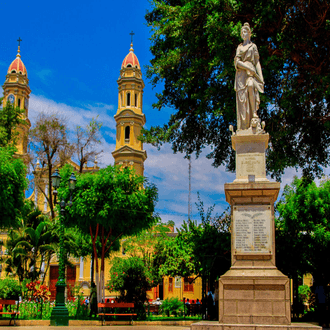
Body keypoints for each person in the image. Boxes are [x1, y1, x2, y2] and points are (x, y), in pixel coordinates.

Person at [234, 22, 264, 131]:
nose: (243, 33)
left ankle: (254, 114)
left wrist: (260, 77)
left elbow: (257, 63)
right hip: (241, 75)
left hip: (251, 74)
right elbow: (236, 62)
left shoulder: (253, 46)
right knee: (242, 100)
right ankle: (244, 125)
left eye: (245, 31)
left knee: (251, 85)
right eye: (242, 32)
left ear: (249, 33)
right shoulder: (239, 47)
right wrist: (246, 67)